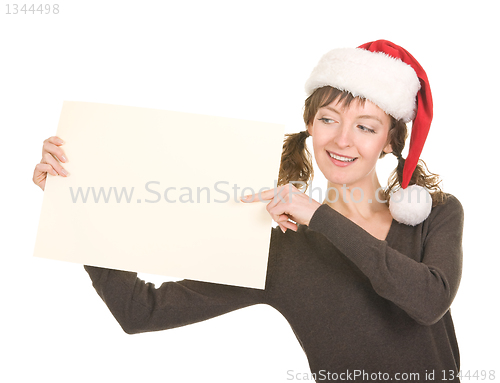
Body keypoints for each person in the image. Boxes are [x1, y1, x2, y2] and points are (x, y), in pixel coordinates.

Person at [33, 40, 464, 382]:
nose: (342, 140)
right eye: (329, 120)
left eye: (366, 127)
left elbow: (428, 301)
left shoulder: (435, 217)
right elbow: (139, 311)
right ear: (311, 127)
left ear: (390, 141)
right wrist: (73, 200)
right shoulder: (281, 246)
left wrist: (320, 215)